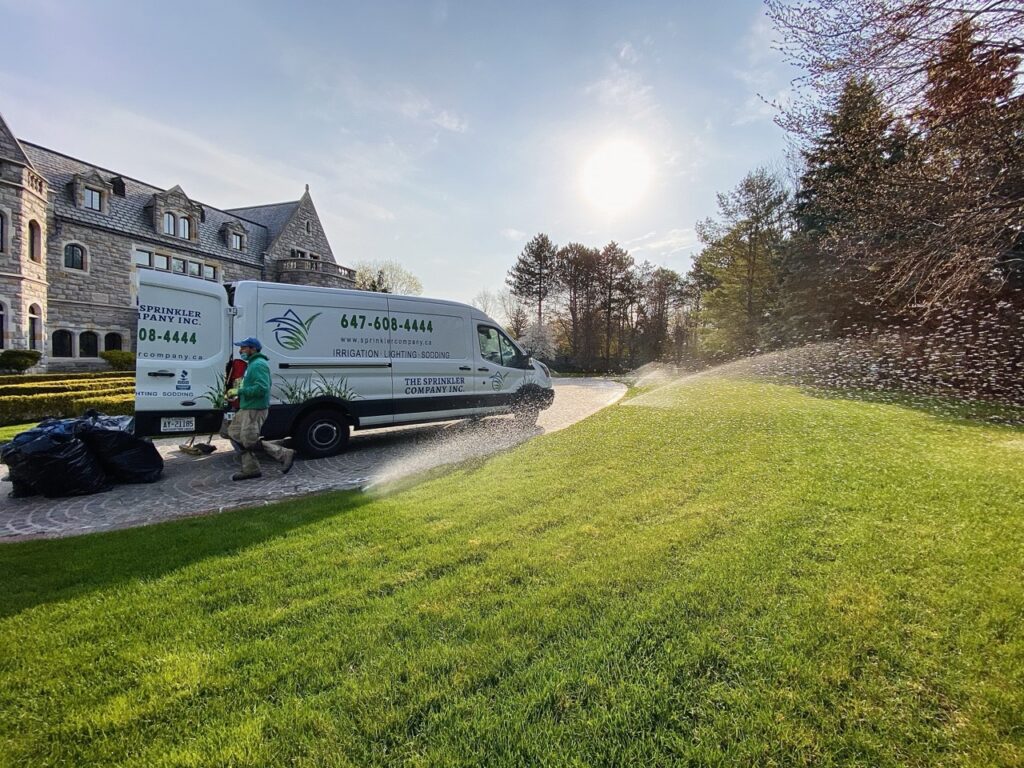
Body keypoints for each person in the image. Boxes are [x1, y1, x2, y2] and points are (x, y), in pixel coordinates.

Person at [225, 337, 295, 481]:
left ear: (253, 349)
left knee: (248, 441)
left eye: (243, 348)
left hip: (255, 409)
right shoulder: (252, 364)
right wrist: (238, 390)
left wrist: (239, 392)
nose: (240, 351)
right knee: (234, 434)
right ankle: (251, 468)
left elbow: (262, 388)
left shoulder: (258, 365)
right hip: (247, 407)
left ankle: (282, 454)